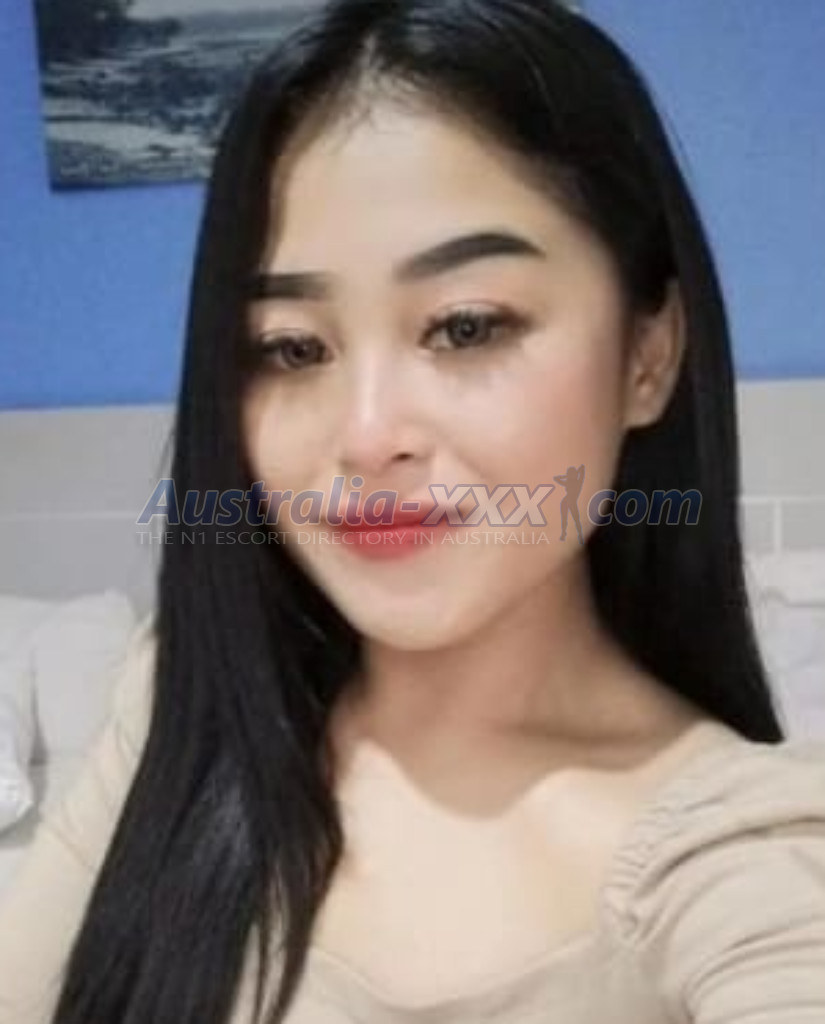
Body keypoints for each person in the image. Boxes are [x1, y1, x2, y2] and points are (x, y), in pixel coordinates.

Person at [1, 0, 824, 1021]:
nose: (366, 434)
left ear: (648, 356)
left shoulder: (743, 858)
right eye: (292, 347)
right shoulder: (191, 703)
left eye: (465, 326)